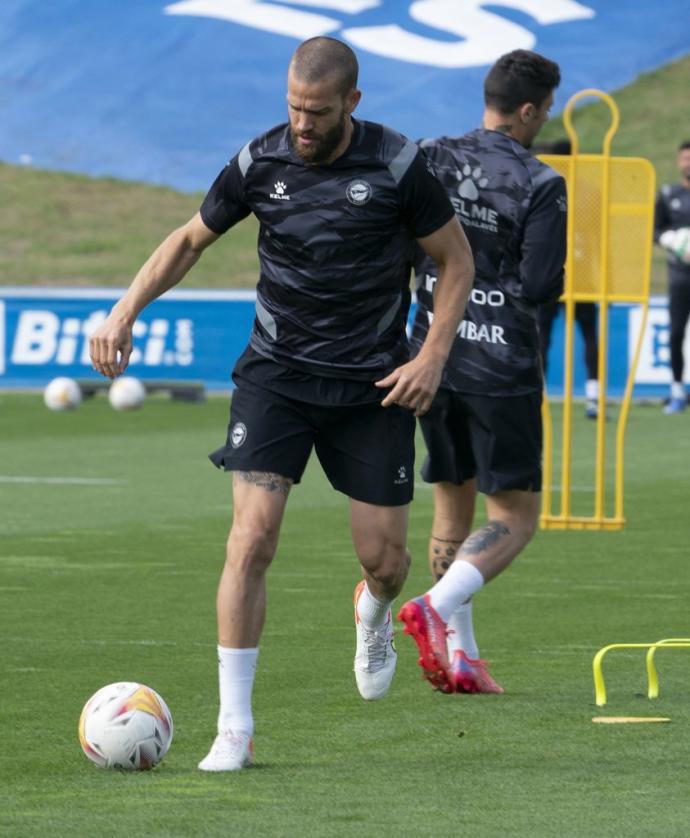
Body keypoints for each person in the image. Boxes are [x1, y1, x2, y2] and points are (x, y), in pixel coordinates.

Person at [89, 37, 474, 770]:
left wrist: (432, 355)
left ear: (351, 105)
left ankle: (373, 610)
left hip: (372, 386)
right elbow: (189, 239)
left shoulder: (398, 166)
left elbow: (457, 259)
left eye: (318, 113)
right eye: (294, 107)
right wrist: (124, 309)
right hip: (276, 378)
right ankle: (234, 727)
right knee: (252, 539)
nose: (303, 124)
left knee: (386, 561)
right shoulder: (259, 162)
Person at [397, 49, 566, 694]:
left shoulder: (431, 154)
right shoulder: (542, 181)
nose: (544, 119)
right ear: (528, 110)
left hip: (430, 357)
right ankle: (434, 611)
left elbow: (403, 239)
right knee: (516, 516)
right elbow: (542, 284)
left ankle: (461, 656)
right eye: (545, 109)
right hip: (502, 366)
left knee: (451, 502)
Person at [533, 139, 601, 420]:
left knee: (543, 336)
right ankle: (593, 398)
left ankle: (537, 397)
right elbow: (600, 241)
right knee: (588, 336)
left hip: (551, 273)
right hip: (583, 274)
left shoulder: (546, 188)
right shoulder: (590, 192)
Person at [654, 140, 690, 414]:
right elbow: (654, 230)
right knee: (676, 332)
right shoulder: (668, 194)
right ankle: (677, 390)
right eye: (685, 158)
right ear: (679, 162)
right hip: (679, 276)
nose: (688, 163)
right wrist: (670, 239)